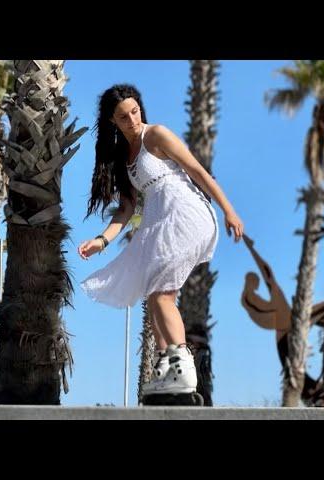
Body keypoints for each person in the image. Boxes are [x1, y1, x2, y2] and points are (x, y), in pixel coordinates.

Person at [78, 84, 244, 397]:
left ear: (140, 107)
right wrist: (101, 241)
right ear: (113, 121)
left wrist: (229, 211)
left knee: (163, 296)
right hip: (158, 221)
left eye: (134, 111)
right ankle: (169, 367)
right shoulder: (121, 158)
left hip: (184, 214)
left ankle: (183, 365)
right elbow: (126, 210)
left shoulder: (156, 135)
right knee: (154, 295)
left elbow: (198, 171)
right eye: (124, 117)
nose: (132, 120)